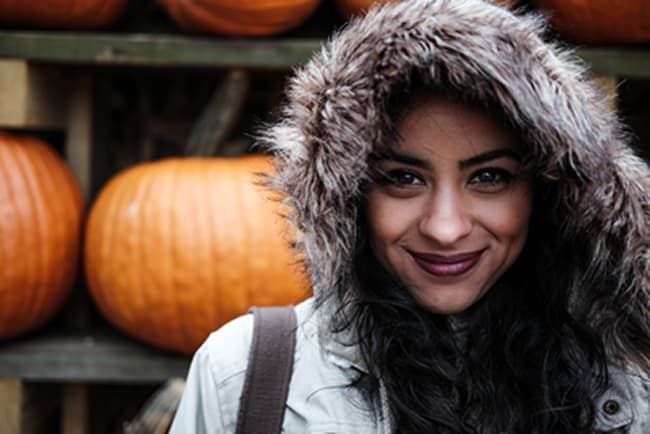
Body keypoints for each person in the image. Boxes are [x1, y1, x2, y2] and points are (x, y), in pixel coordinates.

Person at [169, 0, 650, 432]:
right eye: (403, 178)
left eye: (488, 178)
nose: (445, 229)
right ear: (349, 192)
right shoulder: (245, 375)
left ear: (550, 188)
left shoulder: (632, 382)